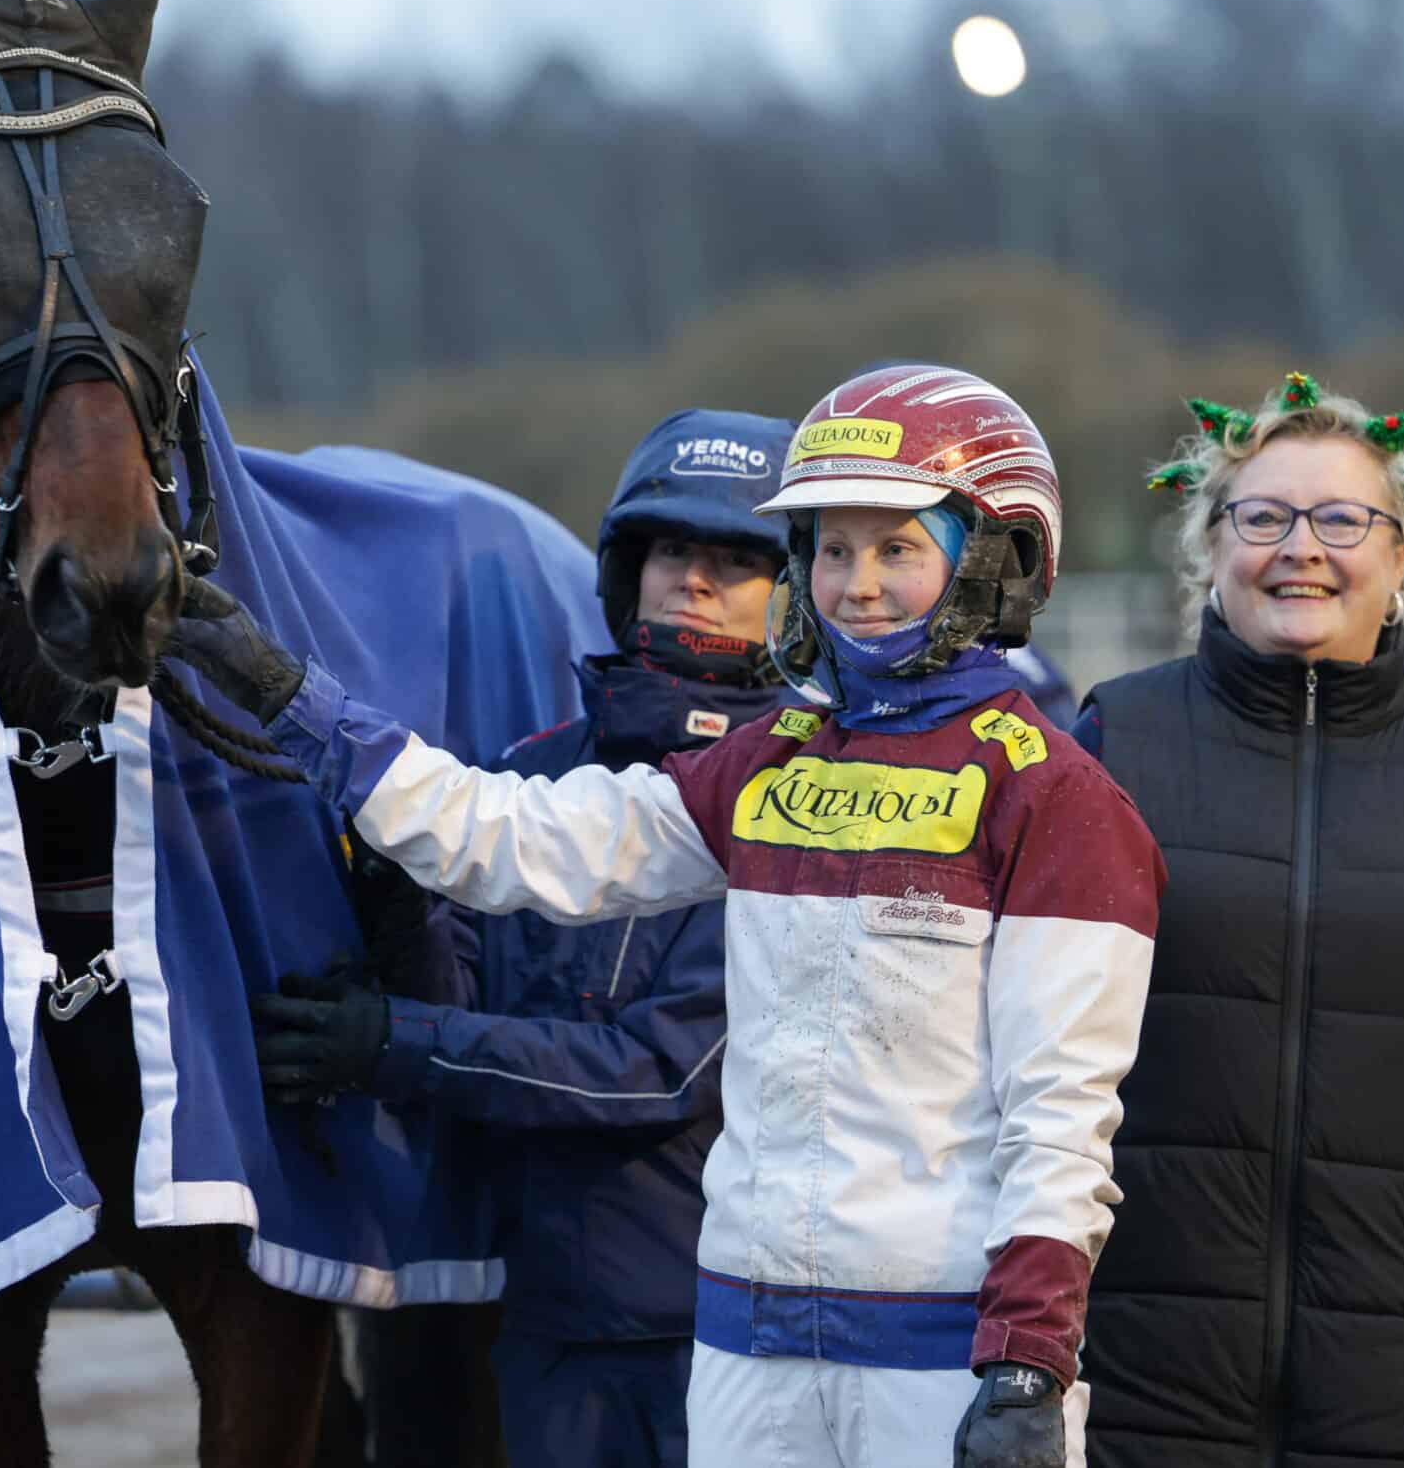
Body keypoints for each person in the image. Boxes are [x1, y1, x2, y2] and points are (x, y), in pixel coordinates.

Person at [177, 364, 1161, 1468]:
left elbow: (1061, 1118)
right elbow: (510, 839)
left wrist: (1029, 1362)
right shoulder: (761, 765)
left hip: (935, 1349)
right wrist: (291, 700)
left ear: (992, 563)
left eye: (897, 549)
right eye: (832, 549)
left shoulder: (1059, 797)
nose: (856, 585)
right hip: (743, 1340)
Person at [255, 408, 796, 1468]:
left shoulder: (798, 794)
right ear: (625, 570)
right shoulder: (527, 773)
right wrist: (393, 903)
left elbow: (654, 1072)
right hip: (541, 1330)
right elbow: (465, 1001)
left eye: (736, 562)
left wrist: (393, 1041)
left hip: (727, 1343)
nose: (692, 580)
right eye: (672, 550)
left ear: (793, 592)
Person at [1073, 374, 1404, 1468]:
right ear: (1209, 551)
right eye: (1262, 517)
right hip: (1143, 1350)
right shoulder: (1113, 742)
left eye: (1342, 518)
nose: (1300, 546)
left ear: (1401, 558)